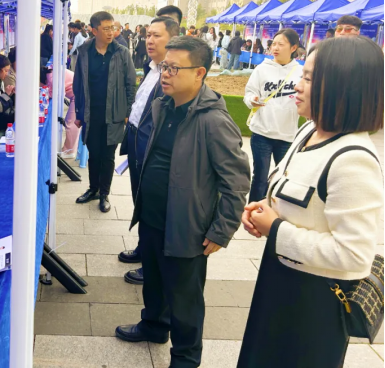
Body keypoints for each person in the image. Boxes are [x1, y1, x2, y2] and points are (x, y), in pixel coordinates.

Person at [238, 36, 384, 368]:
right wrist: (263, 208)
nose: (297, 84)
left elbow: (355, 255)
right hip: (279, 279)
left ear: (343, 86)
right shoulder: (310, 130)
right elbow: (290, 190)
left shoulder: (353, 159)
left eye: (308, 77)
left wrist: (276, 229)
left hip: (313, 303)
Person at [116, 36, 251, 368]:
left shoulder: (213, 120)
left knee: (185, 298)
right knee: (154, 282)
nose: (165, 73)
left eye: (175, 68)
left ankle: (186, 358)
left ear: (199, 73)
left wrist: (221, 230)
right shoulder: (164, 105)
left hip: (186, 225)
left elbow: (236, 181)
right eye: (165, 66)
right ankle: (154, 326)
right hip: (152, 216)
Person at [118, 17, 181, 283]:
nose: (149, 40)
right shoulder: (152, 67)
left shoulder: (173, 74)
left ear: (173, 40)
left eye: (157, 36)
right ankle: (144, 248)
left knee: (155, 208)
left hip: (154, 151)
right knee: (141, 201)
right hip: (136, 143)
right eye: (148, 35)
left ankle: (153, 266)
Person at [73, 11, 136, 213]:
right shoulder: (84, 52)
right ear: (94, 30)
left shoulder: (121, 52)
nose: (111, 32)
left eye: (113, 28)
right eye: (106, 28)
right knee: (93, 153)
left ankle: (104, 194)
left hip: (114, 114)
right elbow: (78, 84)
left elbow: (130, 84)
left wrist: (128, 111)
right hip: (91, 114)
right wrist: (79, 113)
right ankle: (93, 189)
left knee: (108, 156)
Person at [244, 29, 303, 204]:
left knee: (283, 177)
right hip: (262, 132)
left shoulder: (300, 72)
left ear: (293, 47)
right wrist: (252, 100)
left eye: (281, 44)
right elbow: (249, 93)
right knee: (260, 177)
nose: (275, 48)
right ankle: (253, 210)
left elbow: (307, 98)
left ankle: (277, 210)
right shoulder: (262, 69)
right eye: (273, 44)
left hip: (287, 135)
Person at [47, 68, 80, 158]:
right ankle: (70, 149)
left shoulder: (51, 78)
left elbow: (59, 94)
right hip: (78, 93)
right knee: (70, 122)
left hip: (79, 95)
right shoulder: (50, 73)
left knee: (70, 123)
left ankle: (69, 152)